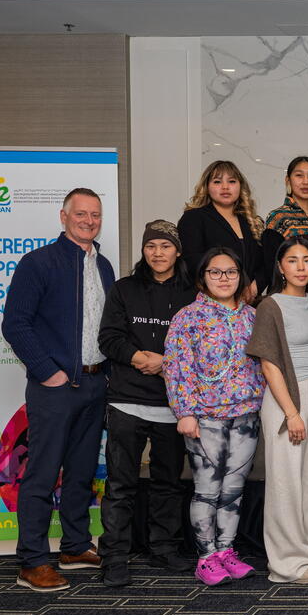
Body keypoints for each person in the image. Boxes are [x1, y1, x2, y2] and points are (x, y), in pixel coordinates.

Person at [3, 188, 115, 592]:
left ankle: (74, 546)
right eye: (81, 213)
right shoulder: (38, 263)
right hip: (54, 386)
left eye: (96, 215)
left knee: (82, 472)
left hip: (94, 382)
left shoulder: (103, 266)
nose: (89, 220)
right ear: (63, 217)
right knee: (42, 473)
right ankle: (32, 562)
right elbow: (15, 323)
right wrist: (47, 370)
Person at [97, 220, 196, 588]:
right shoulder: (124, 289)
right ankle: (115, 557)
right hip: (127, 402)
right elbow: (109, 338)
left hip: (173, 405)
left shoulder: (192, 294)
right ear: (143, 250)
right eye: (151, 245)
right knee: (121, 485)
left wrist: (166, 363)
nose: (158, 253)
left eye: (165, 246)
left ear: (178, 251)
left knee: (168, 483)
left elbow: (199, 348)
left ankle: (164, 548)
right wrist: (143, 358)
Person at [163, 248, 265, 587]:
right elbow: (177, 368)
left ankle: (226, 551)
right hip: (204, 418)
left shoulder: (252, 316)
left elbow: (265, 365)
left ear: (241, 276)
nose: (224, 279)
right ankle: (206, 557)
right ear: (203, 277)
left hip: (246, 416)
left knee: (234, 490)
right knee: (207, 490)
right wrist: (185, 412)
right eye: (216, 272)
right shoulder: (187, 317)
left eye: (231, 272)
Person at [246, 238, 308, 585]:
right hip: (286, 398)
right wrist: (291, 413)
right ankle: (284, 564)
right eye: (293, 260)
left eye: (307, 260)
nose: (301, 266)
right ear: (280, 267)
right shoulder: (270, 305)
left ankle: (304, 553)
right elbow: (269, 363)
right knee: (285, 483)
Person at [178, 160, 267, 297]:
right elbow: (191, 261)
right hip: (209, 303)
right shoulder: (193, 218)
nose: (225, 187)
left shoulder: (253, 221)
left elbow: (265, 264)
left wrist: (253, 289)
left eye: (231, 181)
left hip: (248, 305)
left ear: (240, 186)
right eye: (217, 182)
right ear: (207, 186)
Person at [261, 156, 308, 288]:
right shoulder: (278, 217)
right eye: (299, 175)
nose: (305, 182)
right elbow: (272, 268)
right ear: (288, 180)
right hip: (289, 295)